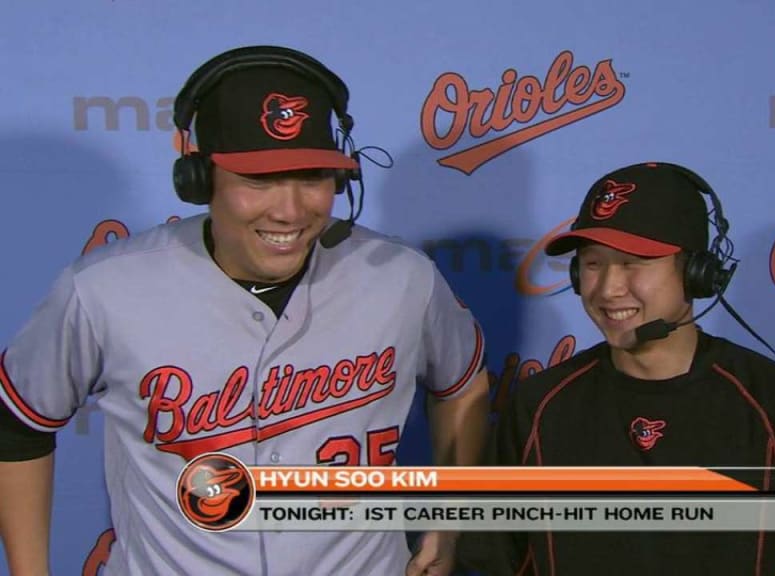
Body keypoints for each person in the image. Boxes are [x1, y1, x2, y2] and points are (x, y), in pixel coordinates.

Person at [0, 45, 489, 576]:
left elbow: (462, 383)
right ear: (200, 179)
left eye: (312, 177)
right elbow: (19, 424)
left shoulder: (401, 277)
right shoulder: (104, 288)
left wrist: (450, 515)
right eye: (259, 180)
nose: (290, 210)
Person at [459, 162, 775, 575]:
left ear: (698, 273)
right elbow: (493, 553)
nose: (609, 288)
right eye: (593, 263)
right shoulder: (541, 406)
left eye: (635, 263)